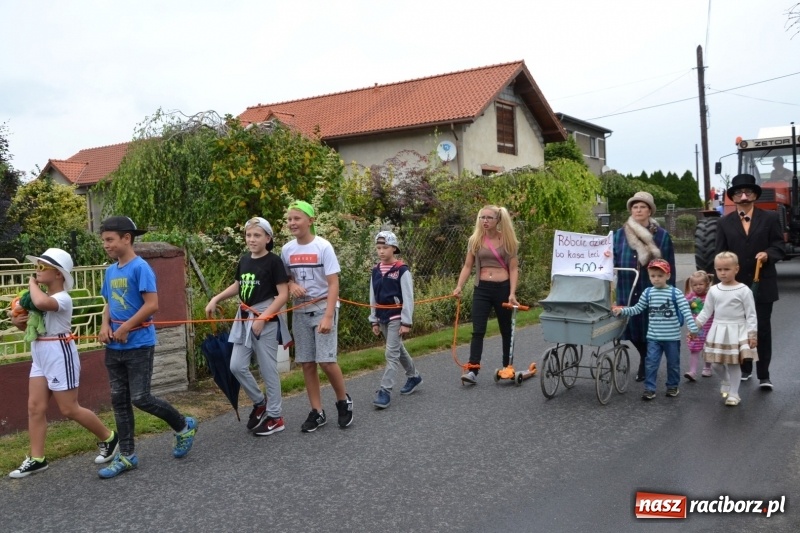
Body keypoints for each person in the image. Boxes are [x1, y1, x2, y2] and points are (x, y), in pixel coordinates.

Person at [97, 216, 197, 479]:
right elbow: (108, 303)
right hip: (115, 346)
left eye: (110, 240)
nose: (105, 245)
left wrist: (126, 326)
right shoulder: (111, 271)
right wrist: (104, 326)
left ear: (126, 238)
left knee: (140, 397)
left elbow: (152, 305)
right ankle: (127, 455)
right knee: (119, 401)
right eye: (104, 240)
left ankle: (183, 425)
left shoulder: (140, 268)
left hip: (138, 344)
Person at [8, 249, 119, 478]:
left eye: (42, 267)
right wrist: (17, 321)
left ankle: (110, 438)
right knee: (35, 407)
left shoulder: (61, 299)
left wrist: (30, 282)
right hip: (40, 352)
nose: (37, 272)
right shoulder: (43, 298)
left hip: (59, 353)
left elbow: (40, 301)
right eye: (36, 268)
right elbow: (34, 327)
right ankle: (37, 458)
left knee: (69, 408)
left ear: (58, 274)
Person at [205, 217, 289, 436]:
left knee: (268, 369)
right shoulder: (244, 260)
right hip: (244, 317)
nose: (252, 239)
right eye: (249, 235)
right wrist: (216, 298)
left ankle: (275, 416)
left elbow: (283, 295)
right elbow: (238, 285)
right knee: (236, 366)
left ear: (268, 238)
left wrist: (263, 318)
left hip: (265, 317)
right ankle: (260, 402)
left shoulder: (273, 262)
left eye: (257, 235)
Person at [281, 201, 353, 432]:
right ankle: (317, 411)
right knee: (307, 363)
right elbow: (285, 279)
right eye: (290, 219)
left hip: (323, 307)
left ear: (310, 221)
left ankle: (343, 401)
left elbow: (333, 283)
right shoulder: (287, 250)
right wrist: (291, 285)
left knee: (326, 361)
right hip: (300, 310)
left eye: (297, 218)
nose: (292, 223)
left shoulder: (323, 247)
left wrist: (329, 316)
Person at [715, 174, 785, 389]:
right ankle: (745, 369)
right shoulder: (724, 222)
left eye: (748, 193)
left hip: (762, 284)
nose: (744, 197)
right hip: (734, 287)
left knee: (761, 328)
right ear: (733, 198)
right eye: (738, 193)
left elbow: (779, 247)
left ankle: (764, 375)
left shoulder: (771, 218)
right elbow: (719, 253)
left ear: (755, 195)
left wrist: (767, 254)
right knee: (738, 328)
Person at [613, 191, 676, 382]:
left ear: (650, 211)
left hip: (652, 285)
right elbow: (611, 255)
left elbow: (669, 262)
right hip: (627, 285)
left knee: (651, 325)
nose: (638, 210)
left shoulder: (662, 236)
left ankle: (647, 361)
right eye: (635, 207)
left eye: (642, 207)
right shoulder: (619, 234)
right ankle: (645, 356)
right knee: (630, 325)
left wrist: (670, 291)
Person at [452, 205, 519, 385]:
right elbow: (467, 266)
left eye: (489, 218)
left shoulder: (507, 240)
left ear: (498, 220)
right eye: (482, 217)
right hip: (482, 289)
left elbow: (513, 269)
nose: (485, 221)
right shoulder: (474, 240)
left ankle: (507, 367)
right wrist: (459, 286)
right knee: (478, 330)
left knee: (506, 331)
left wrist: (512, 293)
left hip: (503, 289)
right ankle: (473, 370)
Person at [613, 259, 698, 400]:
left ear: (668, 276)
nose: (656, 279)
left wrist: (693, 329)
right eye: (653, 276)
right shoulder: (648, 293)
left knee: (673, 364)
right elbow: (637, 309)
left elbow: (686, 311)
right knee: (651, 363)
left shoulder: (675, 293)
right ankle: (649, 388)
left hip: (672, 338)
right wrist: (622, 311)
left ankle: (672, 387)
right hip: (653, 337)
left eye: (660, 275)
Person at [695, 252, 758, 406]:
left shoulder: (744, 290)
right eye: (719, 269)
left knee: (733, 363)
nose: (723, 272)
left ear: (736, 269)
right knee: (716, 363)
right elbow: (706, 311)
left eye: (727, 269)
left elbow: (751, 314)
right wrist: (694, 326)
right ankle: (725, 379)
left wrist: (752, 334)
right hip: (718, 329)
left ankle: (734, 394)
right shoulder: (714, 290)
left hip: (737, 330)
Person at [368, 231, 422, 409]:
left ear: (394, 248)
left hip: (396, 316)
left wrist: (406, 322)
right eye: (378, 248)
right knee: (397, 348)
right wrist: (373, 319)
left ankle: (385, 390)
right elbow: (373, 296)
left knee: (390, 354)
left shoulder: (401, 270)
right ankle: (414, 376)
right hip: (381, 316)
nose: (381, 251)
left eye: (385, 248)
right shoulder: (376, 270)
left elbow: (408, 297)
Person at [683, 270, 714, 381]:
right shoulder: (689, 297)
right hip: (695, 329)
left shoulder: (711, 296)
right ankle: (692, 371)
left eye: (701, 284)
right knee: (694, 349)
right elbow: (682, 307)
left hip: (709, 328)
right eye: (695, 285)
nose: (698, 287)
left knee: (708, 348)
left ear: (707, 284)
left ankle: (707, 367)